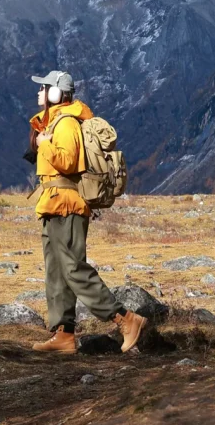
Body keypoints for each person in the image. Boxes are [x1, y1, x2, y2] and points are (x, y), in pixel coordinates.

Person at [29, 70, 147, 355]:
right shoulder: (55, 123)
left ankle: (126, 319)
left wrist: (45, 146)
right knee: (56, 272)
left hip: (66, 205)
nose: (38, 92)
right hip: (52, 204)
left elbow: (68, 162)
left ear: (57, 93)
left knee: (72, 268)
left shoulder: (67, 123)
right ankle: (63, 335)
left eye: (43, 88)